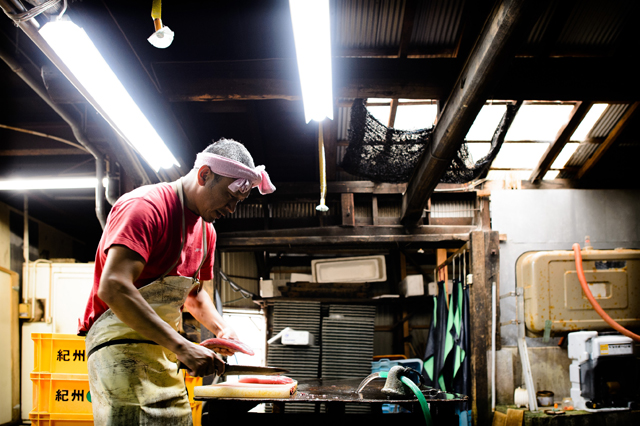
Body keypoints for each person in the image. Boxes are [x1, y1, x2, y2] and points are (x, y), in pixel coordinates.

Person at [78, 138, 275, 425]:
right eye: (229, 198)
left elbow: (193, 296)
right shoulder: (145, 207)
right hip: (120, 349)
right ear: (204, 174)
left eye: (238, 202)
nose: (231, 209)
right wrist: (182, 346)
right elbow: (115, 287)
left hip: (164, 353)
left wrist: (222, 328)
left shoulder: (207, 232)